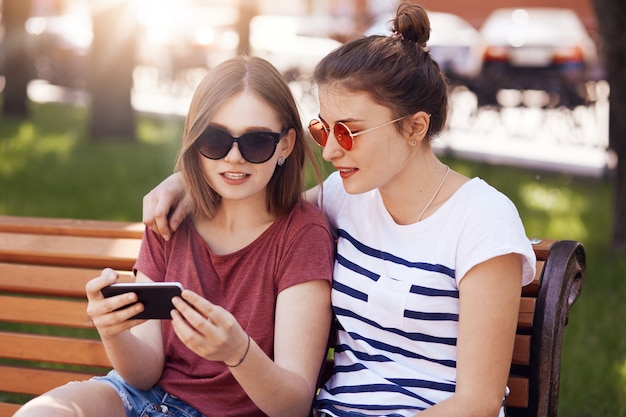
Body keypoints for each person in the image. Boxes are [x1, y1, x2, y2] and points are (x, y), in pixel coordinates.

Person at [141, 3, 537, 416]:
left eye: (348, 131)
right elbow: (259, 204)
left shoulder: (482, 220)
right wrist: (186, 180)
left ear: (415, 127)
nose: (329, 150)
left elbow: (478, 402)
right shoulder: (345, 196)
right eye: (323, 129)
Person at [14, 56, 335, 417]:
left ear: (286, 145)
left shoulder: (302, 235)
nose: (233, 158)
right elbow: (144, 371)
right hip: (143, 399)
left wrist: (237, 353)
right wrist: (114, 331)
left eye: (256, 142)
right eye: (214, 139)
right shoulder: (170, 218)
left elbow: (293, 405)